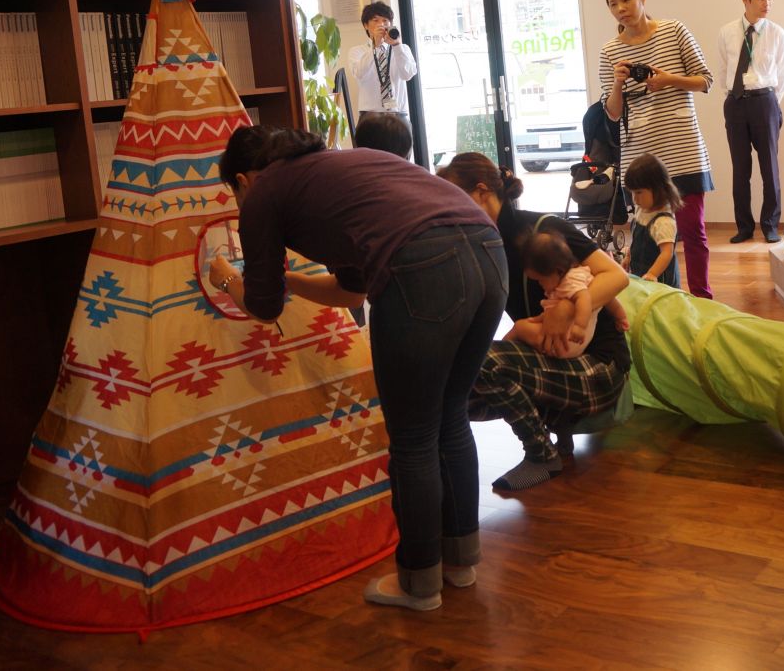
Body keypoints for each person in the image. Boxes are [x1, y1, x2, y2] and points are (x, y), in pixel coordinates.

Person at [208, 126, 506, 612]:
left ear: (243, 180)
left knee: (413, 438)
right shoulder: (337, 172)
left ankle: (419, 584)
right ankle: (459, 562)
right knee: (450, 418)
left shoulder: (263, 192)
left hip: (424, 266)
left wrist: (226, 281)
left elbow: (263, 306)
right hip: (490, 255)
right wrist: (291, 281)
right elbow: (351, 292)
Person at [436, 153, 631, 491]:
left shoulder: (542, 232)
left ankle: (541, 455)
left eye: (454, 198)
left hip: (599, 368)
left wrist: (567, 309)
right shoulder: (482, 244)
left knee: (483, 364)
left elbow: (616, 276)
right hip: (553, 361)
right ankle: (549, 431)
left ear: (482, 191)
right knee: (447, 381)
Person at [598, 0, 716, 299]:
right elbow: (612, 113)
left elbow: (705, 80)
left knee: (692, 232)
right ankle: (654, 301)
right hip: (640, 159)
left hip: (683, 150)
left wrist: (668, 80)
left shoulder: (674, 31)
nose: (620, 9)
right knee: (646, 238)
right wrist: (619, 82)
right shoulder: (609, 51)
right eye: (613, 4)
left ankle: (702, 301)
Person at [717, 0, 784, 244]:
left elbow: (783, 75)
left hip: (765, 102)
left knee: (769, 167)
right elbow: (723, 70)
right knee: (740, 169)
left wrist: (770, 102)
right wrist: (733, 96)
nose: (767, 3)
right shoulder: (727, 32)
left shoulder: (777, 33)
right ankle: (744, 227)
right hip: (736, 102)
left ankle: (770, 225)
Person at [504, 229, 626, 357]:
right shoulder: (584, 274)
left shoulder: (569, 283)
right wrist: (620, 315)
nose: (540, 284)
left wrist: (579, 326)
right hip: (572, 342)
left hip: (565, 341)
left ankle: (500, 347)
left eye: (540, 280)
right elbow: (608, 298)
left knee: (519, 327)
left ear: (558, 271)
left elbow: (585, 298)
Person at [347, 1, 417, 118]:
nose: (381, 24)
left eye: (385, 20)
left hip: (399, 113)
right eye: (375, 20)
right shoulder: (357, 51)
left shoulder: (403, 48)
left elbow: (407, 75)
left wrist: (397, 46)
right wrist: (375, 47)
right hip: (370, 115)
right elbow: (359, 73)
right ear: (366, 25)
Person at [623, 153, 680, 287]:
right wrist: (628, 256)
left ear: (658, 189)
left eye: (639, 192)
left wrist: (653, 274)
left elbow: (667, 253)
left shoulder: (663, 221)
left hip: (661, 281)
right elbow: (636, 239)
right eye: (632, 192)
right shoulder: (641, 210)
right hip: (642, 274)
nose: (634, 199)